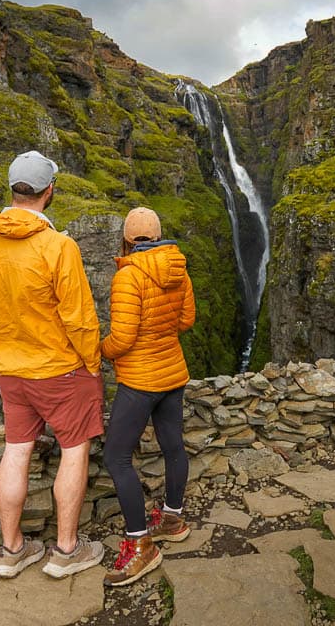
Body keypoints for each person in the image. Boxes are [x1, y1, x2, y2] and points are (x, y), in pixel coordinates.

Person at [0, 150, 105, 580]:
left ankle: (11, 551)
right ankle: (66, 551)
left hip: (10, 369)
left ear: (12, 189)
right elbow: (80, 317)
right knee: (74, 449)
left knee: (16, 449)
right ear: (50, 191)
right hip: (60, 368)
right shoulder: (57, 247)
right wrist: (93, 365)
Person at [100, 207, 196, 587]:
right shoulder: (178, 267)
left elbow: (122, 339)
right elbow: (186, 320)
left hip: (141, 381)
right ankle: (172, 518)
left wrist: (98, 350)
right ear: (158, 234)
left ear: (127, 239)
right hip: (173, 373)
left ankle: (140, 545)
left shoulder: (128, 276)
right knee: (173, 446)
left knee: (116, 457)